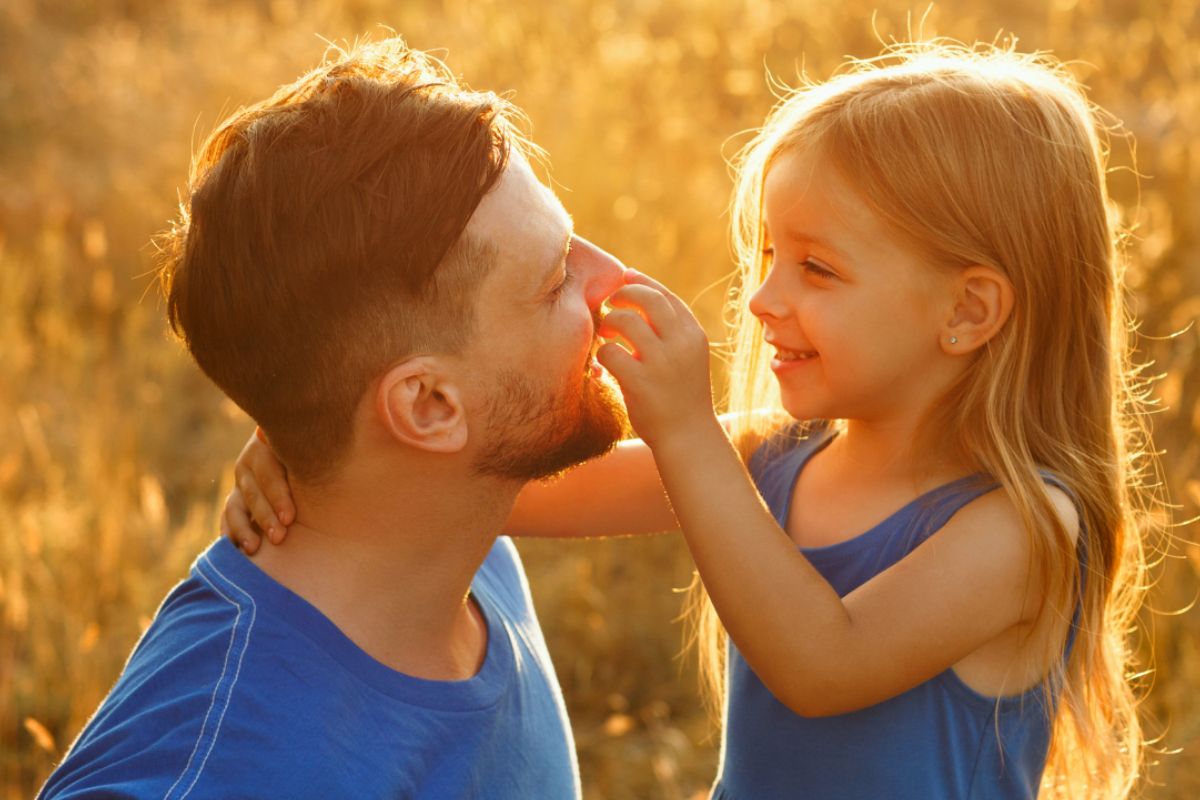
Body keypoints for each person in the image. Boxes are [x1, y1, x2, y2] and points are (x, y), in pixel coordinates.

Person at [229, 42, 1160, 797]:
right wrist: (316, 450)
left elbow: (822, 665)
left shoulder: (1024, 530)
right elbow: (501, 490)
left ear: (967, 312)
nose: (761, 300)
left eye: (818, 270)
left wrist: (684, 431)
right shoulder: (772, 458)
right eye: (765, 253)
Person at [39, 38, 631, 799]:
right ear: (427, 406)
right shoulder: (218, 774)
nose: (612, 276)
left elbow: (756, 465)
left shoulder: (455, 516)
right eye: (555, 281)